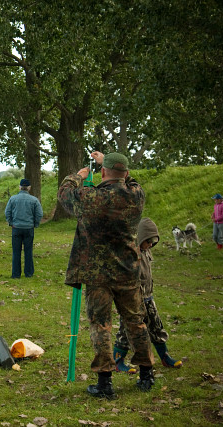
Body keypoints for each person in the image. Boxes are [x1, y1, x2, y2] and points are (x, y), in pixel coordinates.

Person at [57, 151, 154, 399]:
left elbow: (65, 195)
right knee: (136, 322)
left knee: (101, 325)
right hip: (128, 272)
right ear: (125, 173)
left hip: (97, 273)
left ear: (102, 173)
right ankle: (146, 374)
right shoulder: (136, 196)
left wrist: (77, 176)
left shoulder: (91, 197)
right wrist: (107, 164)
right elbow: (131, 181)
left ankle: (105, 382)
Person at [114, 217, 182, 375]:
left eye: (154, 241)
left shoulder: (146, 251)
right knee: (126, 330)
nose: (151, 244)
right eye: (149, 240)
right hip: (132, 301)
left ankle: (165, 357)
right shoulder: (130, 253)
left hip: (148, 297)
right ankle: (117, 361)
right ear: (141, 237)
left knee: (156, 327)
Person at [4, 179, 43, 279]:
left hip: (16, 227)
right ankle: (29, 273)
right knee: (28, 251)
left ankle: (16, 274)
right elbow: (39, 214)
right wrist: (35, 224)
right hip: (29, 228)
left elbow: (7, 212)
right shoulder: (34, 200)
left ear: (19, 187)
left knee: (16, 252)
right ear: (29, 188)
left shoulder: (13, 199)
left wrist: (11, 223)